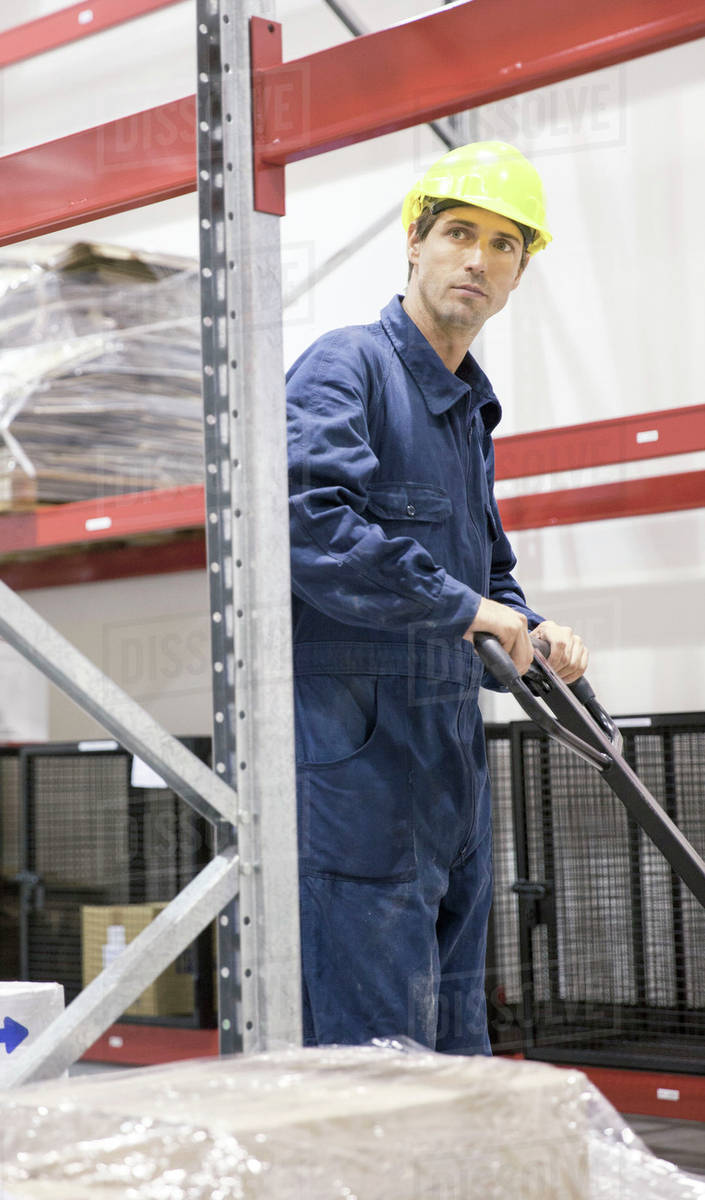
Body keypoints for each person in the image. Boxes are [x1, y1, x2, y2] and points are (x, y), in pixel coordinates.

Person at [286, 141, 589, 1054]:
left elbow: (488, 579)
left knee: (456, 1040)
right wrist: (469, 612)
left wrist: (531, 629)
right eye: (459, 233)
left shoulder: (466, 411)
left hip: (452, 767)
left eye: (504, 246)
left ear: (518, 272)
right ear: (412, 246)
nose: (478, 259)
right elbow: (310, 525)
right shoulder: (347, 368)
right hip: (359, 770)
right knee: (376, 1053)